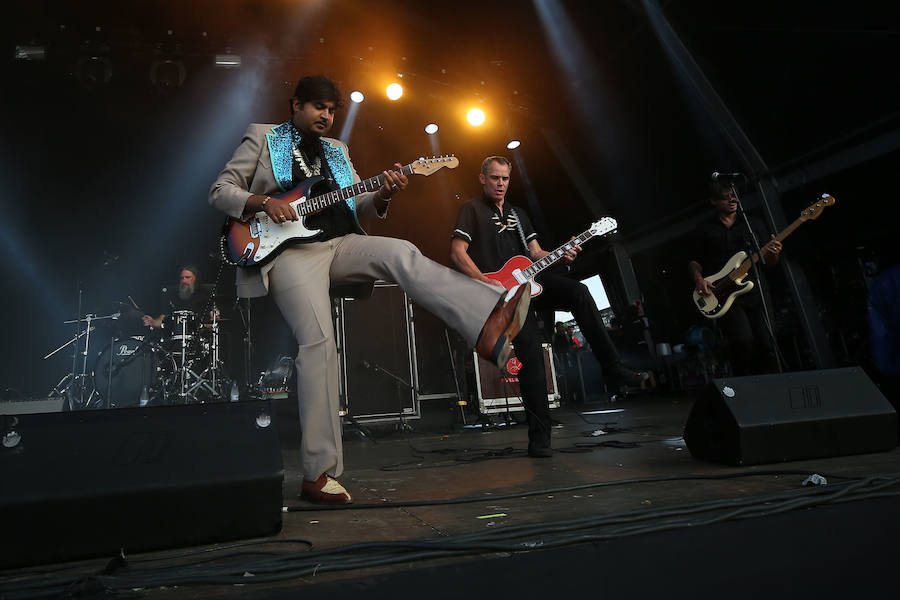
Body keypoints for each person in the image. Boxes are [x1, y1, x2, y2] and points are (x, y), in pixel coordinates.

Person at [208, 75, 530, 505]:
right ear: (296, 105)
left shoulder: (338, 151)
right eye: (318, 106)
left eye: (332, 109)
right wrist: (265, 202)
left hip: (339, 244)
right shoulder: (264, 137)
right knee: (319, 345)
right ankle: (318, 474)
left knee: (401, 252)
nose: (326, 115)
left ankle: (487, 321)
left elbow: (358, 204)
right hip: (286, 252)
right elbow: (220, 191)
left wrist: (383, 193)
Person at [450, 156, 649, 457]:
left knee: (579, 291)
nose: (501, 183)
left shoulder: (519, 215)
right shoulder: (471, 210)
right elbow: (456, 252)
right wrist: (483, 282)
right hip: (501, 296)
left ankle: (612, 368)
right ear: (482, 179)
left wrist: (561, 253)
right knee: (531, 357)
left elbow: (535, 253)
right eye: (494, 178)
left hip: (530, 285)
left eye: (505, 178)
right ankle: (539, 441)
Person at [688, 179, 782, 376]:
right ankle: (743, 385)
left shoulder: (753, 224)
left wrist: (774, 253)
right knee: (742, 340)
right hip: (723, 293)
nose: (731, 201)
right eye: (725, 197)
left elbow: (770, 263)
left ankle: (771, 387)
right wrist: (699, 278)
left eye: (734, 197)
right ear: (714, 201)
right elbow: (694, 261)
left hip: (755, 291)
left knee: (767, 343)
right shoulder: (704, 229)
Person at [141, 265, 213, 330]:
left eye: (187, 277)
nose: (184, 280)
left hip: (200, 336)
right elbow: (163, 318)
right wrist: (153, 322)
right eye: (182, 278)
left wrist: (207, 326)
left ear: (195, 279)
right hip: (177, 337)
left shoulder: (205, 294)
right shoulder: (173, 296)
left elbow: (214, 318)